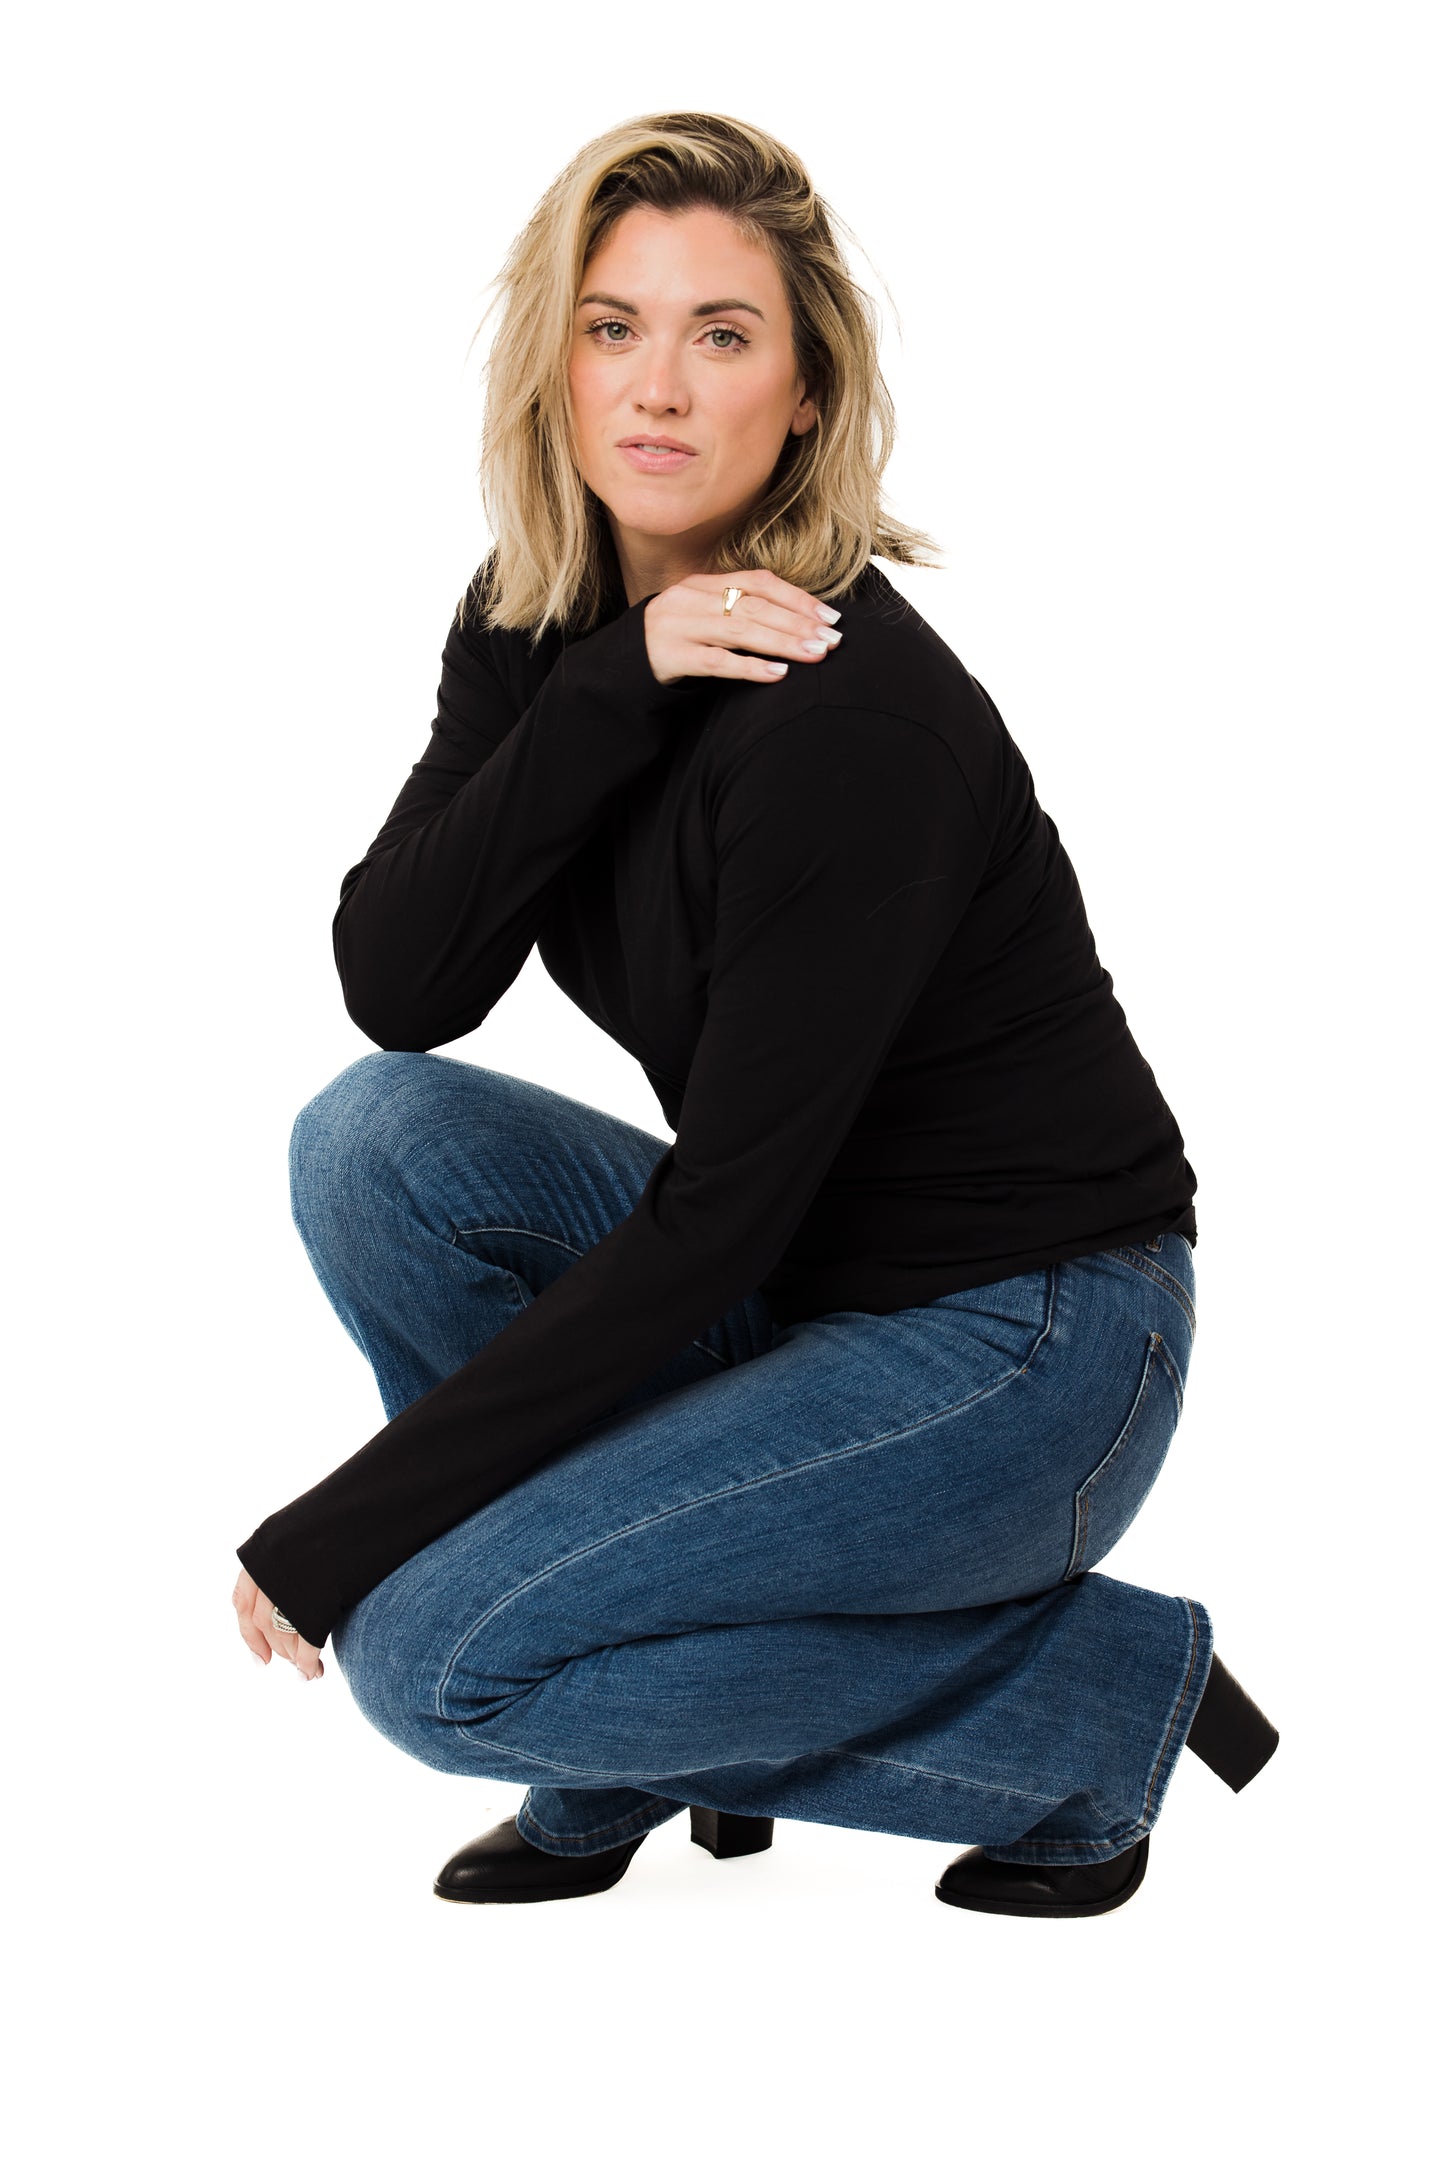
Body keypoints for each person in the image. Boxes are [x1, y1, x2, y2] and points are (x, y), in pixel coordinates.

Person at [232, 110, 1278, 1919]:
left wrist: (349, 1525)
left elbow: (718, 1216)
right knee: (376, 1144)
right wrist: (608, 686)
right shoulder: (536, 623)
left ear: (802, 397)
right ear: (553, 360)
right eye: (612, 326)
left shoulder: (844, 722)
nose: (657, 386)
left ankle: (1091, 1711)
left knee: (432, 1661)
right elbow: (401, 988)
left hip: (1028, 1347)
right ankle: (627, 1714)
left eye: (721, 335)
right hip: (804, 1290)